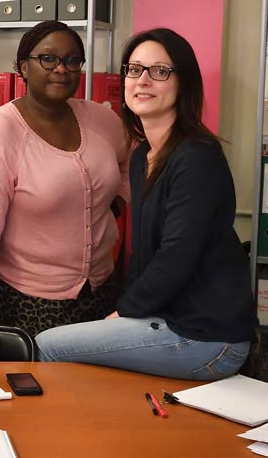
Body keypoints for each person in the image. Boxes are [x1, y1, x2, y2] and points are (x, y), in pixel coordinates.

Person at [36, 28, 257, 380]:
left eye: (160, 71)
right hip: (169, 319)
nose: (144, 80)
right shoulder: (144, 157)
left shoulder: (197, 156)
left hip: (209, 336)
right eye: (135, 70)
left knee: (49, 345)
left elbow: (176, 258)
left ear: (183, 82)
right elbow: (144, 254)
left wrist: (123, 312)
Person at [0, 20, 130, 360]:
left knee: (95, 393)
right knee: (45, 399)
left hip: (101, 288)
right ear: (23, 66)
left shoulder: (102, 120)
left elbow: (130, 163)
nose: (61, 69)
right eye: (48, 59)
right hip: (31, 299)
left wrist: (115, 205)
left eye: (72, 61)